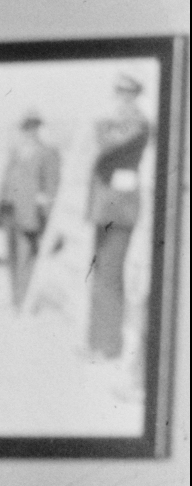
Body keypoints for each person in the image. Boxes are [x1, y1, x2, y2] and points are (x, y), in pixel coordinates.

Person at [86, 70, 156, 367]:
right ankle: (98, 343)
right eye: (118, 93)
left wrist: (106, 122)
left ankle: (108, 346)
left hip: (120, 211)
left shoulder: (138, 124)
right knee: (101, 275)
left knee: (109, 277)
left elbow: (106, 143)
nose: (120, 99)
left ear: (134, 95)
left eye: (126, 94)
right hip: (105, 209)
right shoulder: (122, 122)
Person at [0, 112, 65, 320]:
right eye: (25, 128)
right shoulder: (15, 151)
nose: (28, 133)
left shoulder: (47, 152)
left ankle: (23, 302)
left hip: (31, 214)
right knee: (12, 256)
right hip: (10, 210)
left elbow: (52, 185)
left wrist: (45, 211)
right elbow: (6, 180)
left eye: (32, 128)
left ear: (38, 129)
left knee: (26, 256)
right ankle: (15, 298)